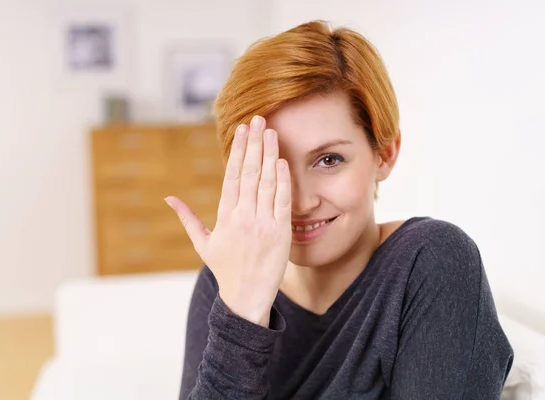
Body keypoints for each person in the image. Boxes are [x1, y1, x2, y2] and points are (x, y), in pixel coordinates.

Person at [165, 20, 513, 399]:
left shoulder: (432, 262)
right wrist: (242, 315)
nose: (299, 202)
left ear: (385, 153)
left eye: (329, 159)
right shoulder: (225, 282)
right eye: (272, 163)